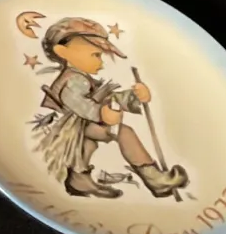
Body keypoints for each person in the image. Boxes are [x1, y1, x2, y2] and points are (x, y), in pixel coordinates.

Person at [32, 17, 189, 199]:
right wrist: (101, 114)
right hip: (69, 126)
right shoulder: (74, 80)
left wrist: (135, 96)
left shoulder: (82, 78)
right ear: (62, 52)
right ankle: (154, 179)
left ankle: (78, 181)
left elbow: (107, 98)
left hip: (80, 125)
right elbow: (79, 104)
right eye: (96, 55)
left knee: (85, 146)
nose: (101, 62)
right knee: (123, 132)